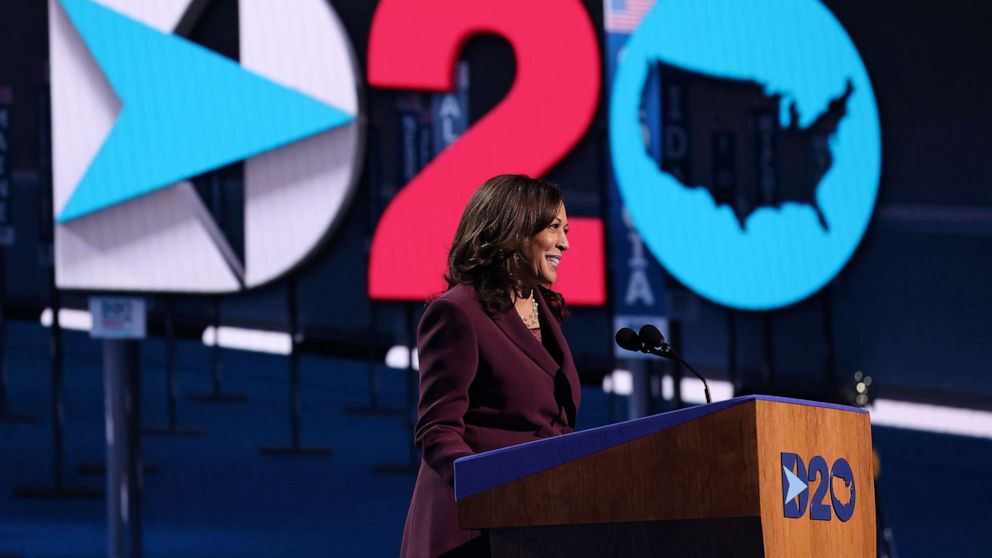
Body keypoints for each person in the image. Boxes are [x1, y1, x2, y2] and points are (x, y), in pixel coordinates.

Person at [400, 174, 581, 558]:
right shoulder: (457, 313)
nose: (565, 243)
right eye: (553, 228)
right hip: (471, 529)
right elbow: (437, 429)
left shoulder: (543, 309)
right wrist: (490, 487)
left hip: (535, 518)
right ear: (514, 230)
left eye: (565, 230)